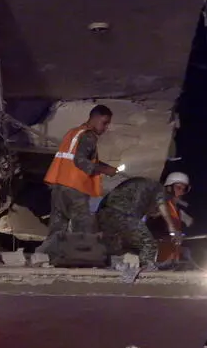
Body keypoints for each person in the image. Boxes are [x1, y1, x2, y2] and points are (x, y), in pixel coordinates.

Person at [37, 105, 119, 254]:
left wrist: (106, 168)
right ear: (94, 118)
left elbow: (77, 158)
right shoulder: (89, 136)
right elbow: (80, 161)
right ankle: (84, 257)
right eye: (104, 123)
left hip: (60, 185)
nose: (106, 127)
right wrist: (104, 170)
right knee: (83, 225)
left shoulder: (74, 133)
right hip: (75, 187)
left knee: (57, 224)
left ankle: (45, 256)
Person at [96, 176, 180, 270]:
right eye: (179, 187)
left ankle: (112, 267)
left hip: (103, 213)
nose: (180, 191)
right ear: (169, 186)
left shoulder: (146, 187)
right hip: (123, 214)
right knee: (148, 243)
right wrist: (173, 230)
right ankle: (148, 267)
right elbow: (162, 207)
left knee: (119, 246)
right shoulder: (159, 189)